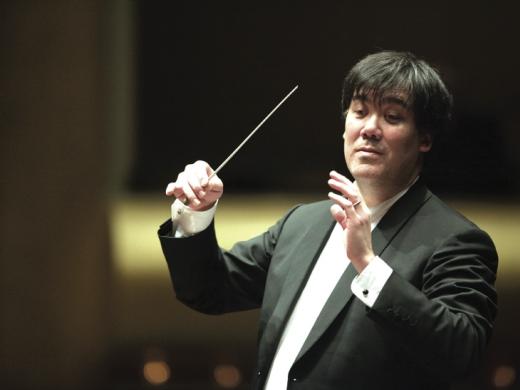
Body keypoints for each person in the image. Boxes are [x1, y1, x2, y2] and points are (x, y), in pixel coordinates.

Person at [158, 51, 498, 390]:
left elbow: (462, 352)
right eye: (360, 112)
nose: (369, 129)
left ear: (424, 138)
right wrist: (196, 213)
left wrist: (368, 264)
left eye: (392, 117)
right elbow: (207, 289)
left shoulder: (456, 240)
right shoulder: (302, 223)